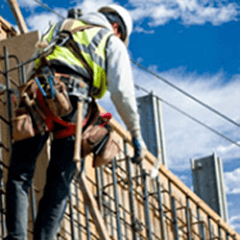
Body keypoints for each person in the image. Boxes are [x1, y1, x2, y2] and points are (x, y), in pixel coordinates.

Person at [4, 4, 146, 240]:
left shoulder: (62, 27)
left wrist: (24, 98)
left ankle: (16, 237)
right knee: (58, 186)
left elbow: (34, 61)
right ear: (116, 27)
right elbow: (122, 92)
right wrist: (136, 133)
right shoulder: (110, 40)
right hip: (75, 107)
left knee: (20, 173)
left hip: (40, 94)